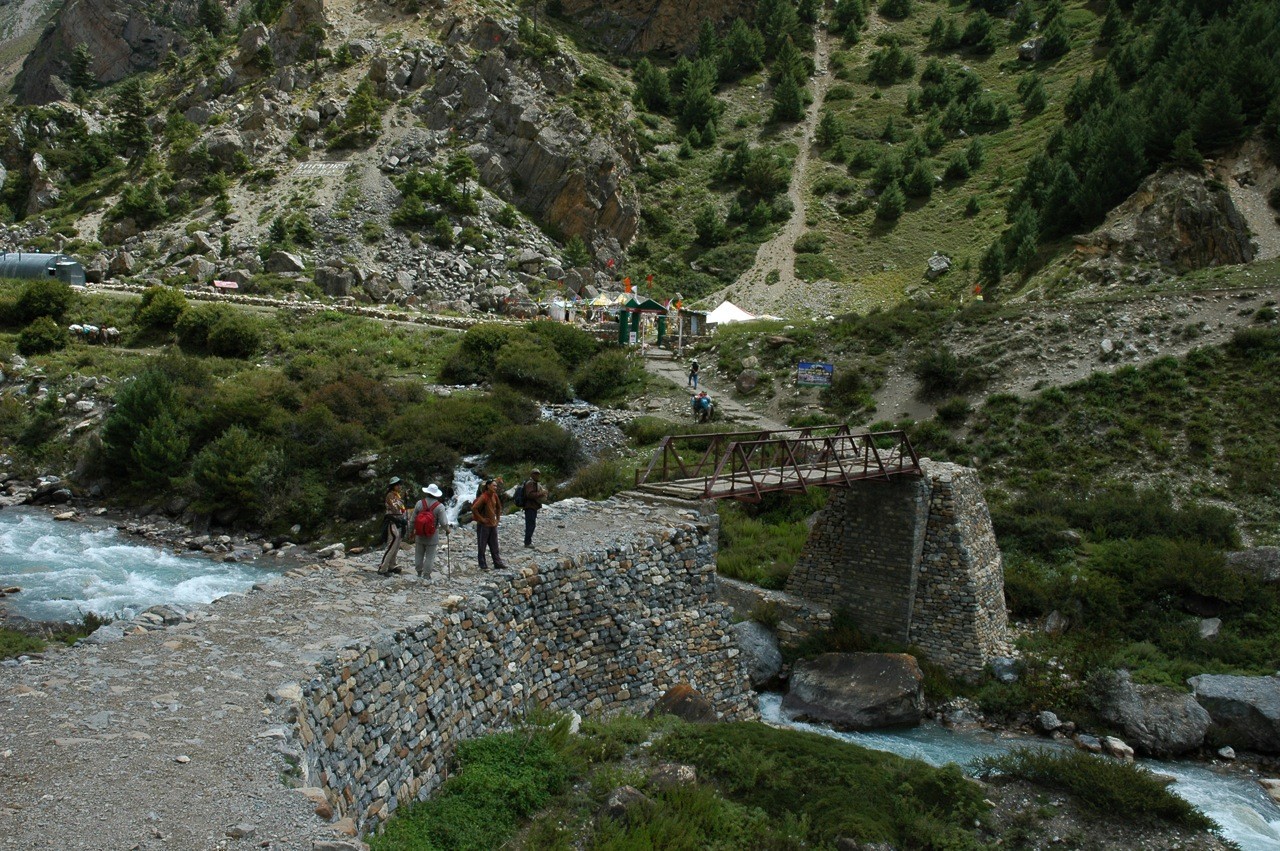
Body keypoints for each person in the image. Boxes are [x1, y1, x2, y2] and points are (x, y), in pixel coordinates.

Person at [411, 483, 449, 579]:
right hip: (432, 535)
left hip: (419, 534)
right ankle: (426, 575)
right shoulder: (439, 506)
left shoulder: (419, 503)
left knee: (419, 554)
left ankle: (419, 572)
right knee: (430, 556)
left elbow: (412, 519)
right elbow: (443, 522)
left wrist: (411, 531)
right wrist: (447, 530)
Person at [471, 478, 508, 571]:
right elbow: (474, 508)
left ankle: (497, 563)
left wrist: (498, 519)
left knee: (494, 545)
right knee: (482, 546)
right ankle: (483, 565)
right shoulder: (484, 497)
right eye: (493, 485)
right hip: (484, 525)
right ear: (488, 486)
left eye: (496, 486)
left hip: (492, 524)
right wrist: (482, 519)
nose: (495, 487)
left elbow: (499, 507)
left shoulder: (494, 496)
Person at [378, 477, 408, 575]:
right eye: (397, 485)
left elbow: (401, 509)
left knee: (396, 545)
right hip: (392, 521)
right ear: (393, 486)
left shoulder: (397, 496)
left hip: (399, 521)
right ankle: (383, 568)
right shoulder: (390, 496)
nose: (399, 486)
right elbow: (395, 509)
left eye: (400, 484)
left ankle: (391, 565)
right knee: (391, 545)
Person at [521, 469, 549, 548]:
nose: (537, 476)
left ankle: (528, 541)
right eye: (535, 474)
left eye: (538, 474)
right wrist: (541, 493)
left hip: (533, 507)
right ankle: (527, 542)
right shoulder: (530, 483)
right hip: (530, 507)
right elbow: (529, 495)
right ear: (532, 475)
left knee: (531, 524)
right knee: (530, 525)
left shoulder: (534, 483)